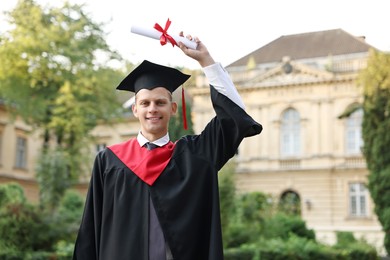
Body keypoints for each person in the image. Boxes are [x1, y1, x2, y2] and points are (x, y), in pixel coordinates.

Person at [73, 33, 262, 260]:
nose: (152, 109)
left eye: (160, 102)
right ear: (135, 110)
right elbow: (90, 231)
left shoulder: (195, 156)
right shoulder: (109, 161)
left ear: (173, 109)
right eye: (145, 103)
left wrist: (206, 61)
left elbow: (234, 119)